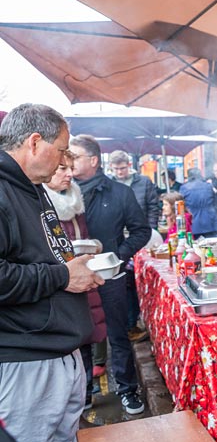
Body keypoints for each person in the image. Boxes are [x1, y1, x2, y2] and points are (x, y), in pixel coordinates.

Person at [0, 104, 104, 442]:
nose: (65, 160)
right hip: (28, 359)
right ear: (33, 142)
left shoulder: (33, 187)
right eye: (61, 149)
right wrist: (63, 275)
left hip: (60, 351)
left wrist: (73, 265)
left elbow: (36, 254)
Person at [70, 134, 151, 415]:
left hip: (110, 276)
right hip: (74, 279)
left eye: (75, 156)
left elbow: (142, 230)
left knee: (117, 335)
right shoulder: (60, 192)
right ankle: (85, 394)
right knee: (81, 337)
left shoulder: (119, 193)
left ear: (93, 160)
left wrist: (119, 254)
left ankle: (127, 389)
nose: (68, 161)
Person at [44, 159, 107, 411]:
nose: (70, 173)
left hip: (83, 278)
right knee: (71, 342)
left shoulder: (75, 197)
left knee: (87, 335)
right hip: (59, 285)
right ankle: (72, 400)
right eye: (62, 167)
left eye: (71, 167)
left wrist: (93, 246)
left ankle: (86, 394)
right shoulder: (41, 203)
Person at [108, 150, 160, 342]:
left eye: (122, 168)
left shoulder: (143, 182)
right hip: (122, 240)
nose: (120, 172)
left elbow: (153, 206)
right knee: (128, 282)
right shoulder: (109, 184)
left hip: (142, 235)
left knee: (145, 278)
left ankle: (143, 318)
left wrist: (151, 230)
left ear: (129, 166)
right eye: (116, 169)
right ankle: (131, 323)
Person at [180, 167, 217, 238]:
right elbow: (216, 202)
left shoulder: (184, 188)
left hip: (194, 223)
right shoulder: (208, 186)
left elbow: (181, 205)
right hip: (211, 222)